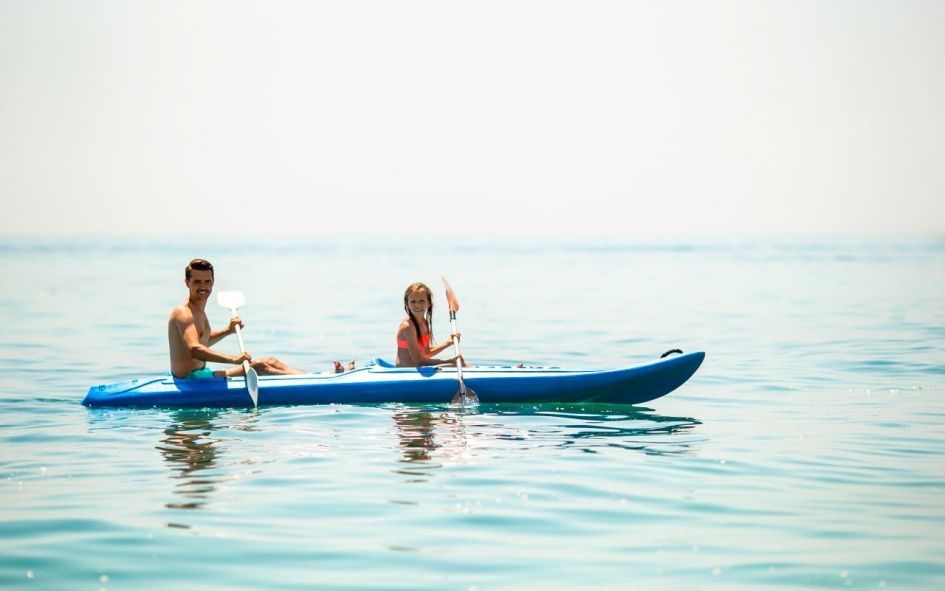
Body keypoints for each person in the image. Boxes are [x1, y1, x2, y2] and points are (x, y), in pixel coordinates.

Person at [168, 258, 304, 379]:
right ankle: (309, 386)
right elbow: (195, 349)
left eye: (207, 281)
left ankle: (309, 378)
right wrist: (233, 359)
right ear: (187, 282)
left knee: (271, 361)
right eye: (197, 282)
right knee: (258, 367)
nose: (203, 286)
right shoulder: (183, 313)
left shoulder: (197, 310)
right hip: (191, 379)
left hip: (201, 374)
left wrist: (228, 330)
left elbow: (202, 342)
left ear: (213, 282)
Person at [396, 282, 463, 367]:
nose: (417, 305)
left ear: (429, 303)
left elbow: (427, 352)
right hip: (405, 371)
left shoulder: (425, 323)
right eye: (413, 301)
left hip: (419, 369)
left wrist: (448, 343)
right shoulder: (408, 327)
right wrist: (450, 360)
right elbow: (419, 361)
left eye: (422, 301)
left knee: (460, 363)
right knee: (457, 364)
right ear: (407, 304)